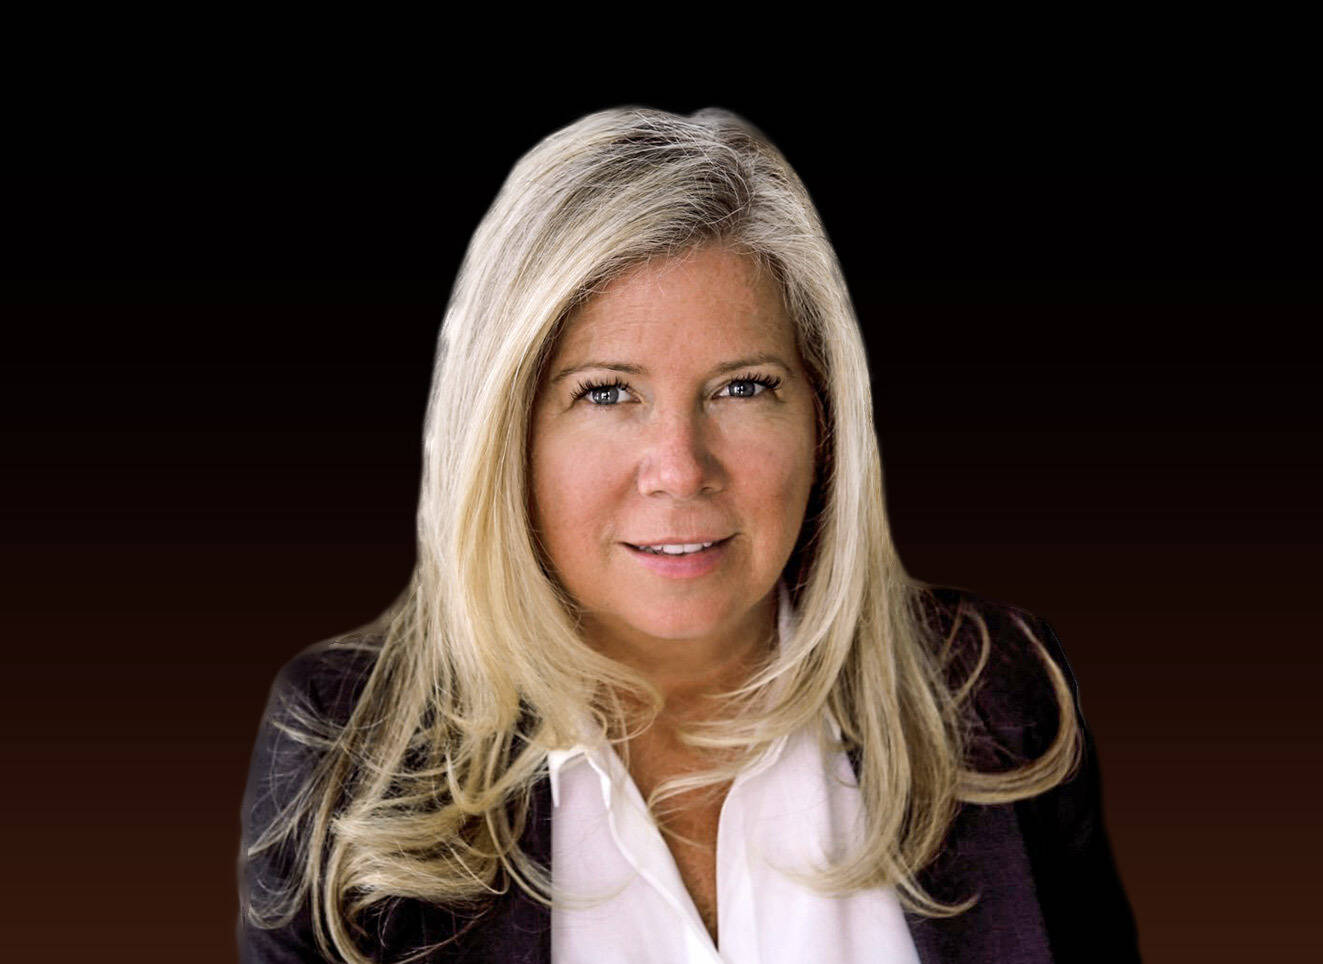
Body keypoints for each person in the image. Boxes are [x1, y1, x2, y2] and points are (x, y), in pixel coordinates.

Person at [238, 106, 1140, 963]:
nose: (680, 466)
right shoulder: (350, 747)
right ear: (505, 433)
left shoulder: (996, 690)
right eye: (605, 393)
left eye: (744, 387)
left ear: (823, 420)